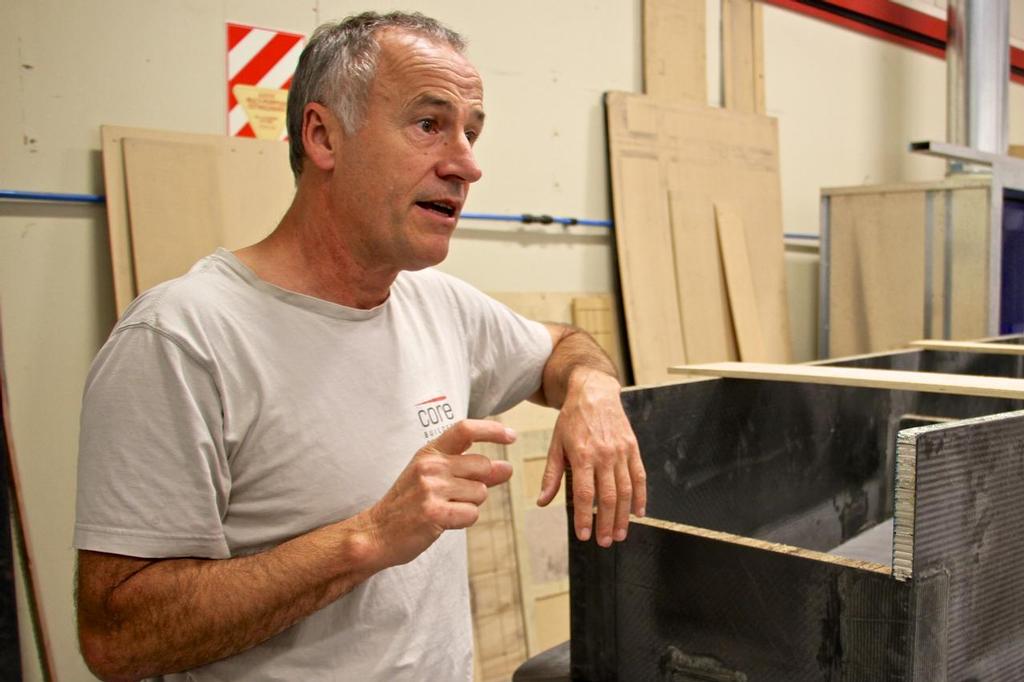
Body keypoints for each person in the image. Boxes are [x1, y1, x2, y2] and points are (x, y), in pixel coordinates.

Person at [74, 11, 645, 681]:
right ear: (323, 136)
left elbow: (564, 348)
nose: (467, 164)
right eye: (430, 124)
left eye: (471, 131)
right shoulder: (182, 339)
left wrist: (593, 390)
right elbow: (117, 637)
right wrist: (366, 539)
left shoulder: (440, 308)